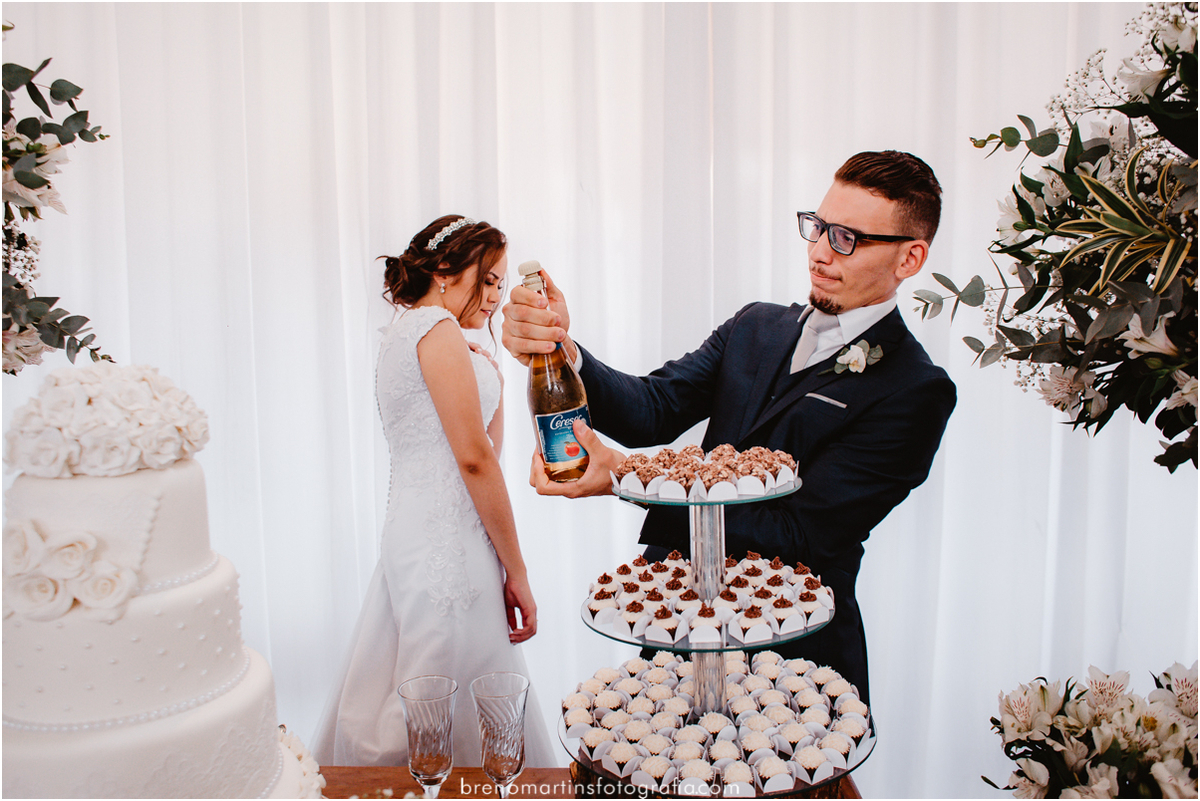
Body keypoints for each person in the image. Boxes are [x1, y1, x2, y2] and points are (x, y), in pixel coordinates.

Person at [501, 152, 957, 704]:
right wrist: (563, 351)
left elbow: (799, 535)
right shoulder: (755, 325)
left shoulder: (915, 389)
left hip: (793, 663)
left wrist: (626, 476)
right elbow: (653, 406)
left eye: (847, 239)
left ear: (909, 258)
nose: (818, 253)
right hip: (681, 628)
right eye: (816, 227)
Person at [313, 214, 555, 767]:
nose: (496, 296)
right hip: (447, 545)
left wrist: (489, 372)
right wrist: (518, 571)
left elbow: (482, 450)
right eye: (488, 278)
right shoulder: (435, 331)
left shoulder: (409, 334)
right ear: (446, 269)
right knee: (441, 688)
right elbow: (475, 463)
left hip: (422, 535)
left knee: (424, 682)